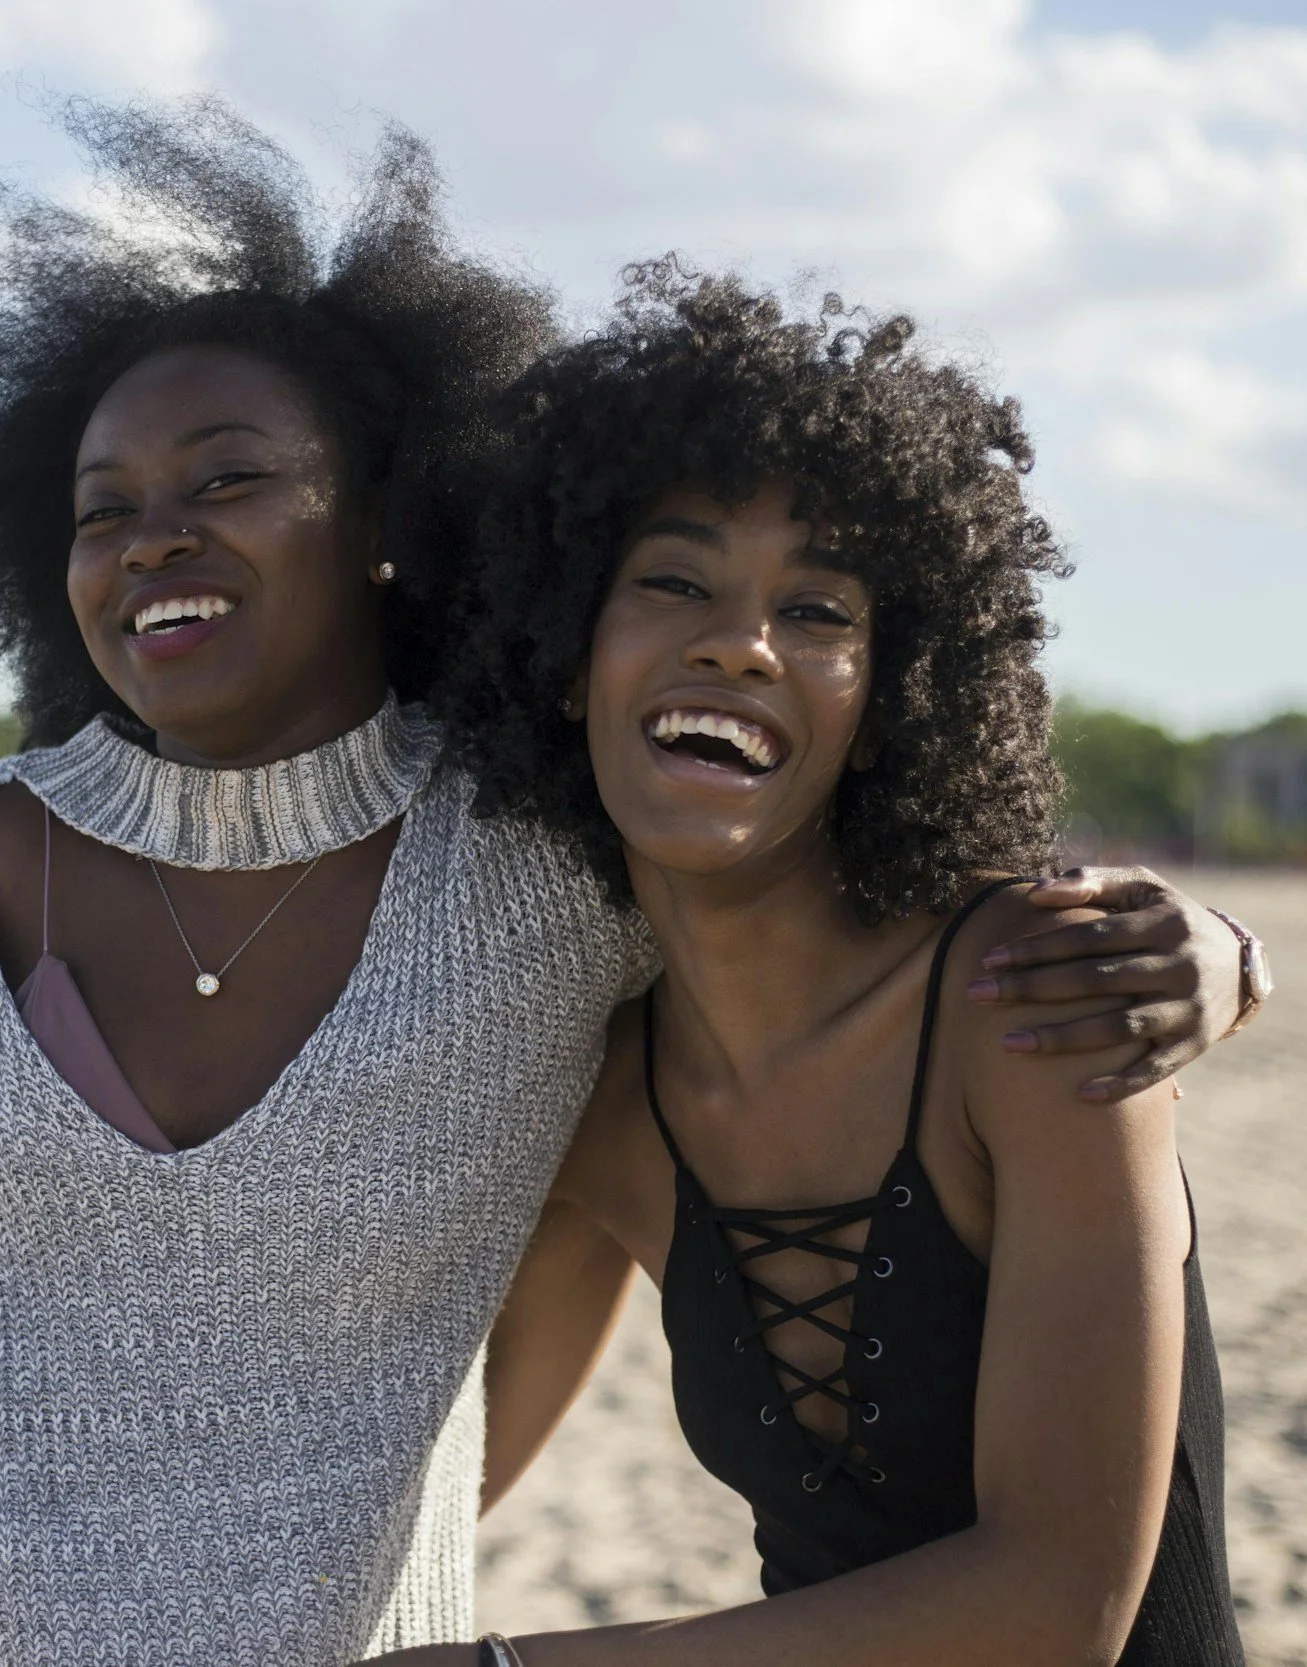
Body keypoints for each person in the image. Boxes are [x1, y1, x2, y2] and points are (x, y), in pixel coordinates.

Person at [0, 109, 1253, 1667]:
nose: (154, 539)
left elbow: (828, 912)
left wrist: (1217, 952)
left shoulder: (544, 880)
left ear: (388, 527)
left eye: (227, 478)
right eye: (101, 507)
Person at [404, 266, 1246, 1665]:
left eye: (818, 612)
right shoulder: (605, 1105)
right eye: (674, 580)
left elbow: (1057, 1605)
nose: (739, 640)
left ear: (893, 691)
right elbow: (429, 1486)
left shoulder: (1031, 998)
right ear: (564, 655)